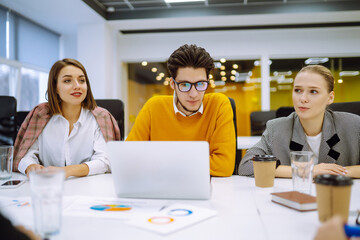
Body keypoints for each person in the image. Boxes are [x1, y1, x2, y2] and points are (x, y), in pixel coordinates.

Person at [126, 44, 236, 177]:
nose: (194, 94)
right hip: (160, 188)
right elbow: (129, 157)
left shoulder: (219, 105)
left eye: (200, 84)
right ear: (173, 84)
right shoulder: (153, 107)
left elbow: (224, 165)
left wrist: (161, 161)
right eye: (185, 85)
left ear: (208, 81)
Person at [238, 65, 360, 178]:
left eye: (313, 91)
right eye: (298, 90)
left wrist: (336, 172)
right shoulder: (276, 128)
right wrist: (308, 171)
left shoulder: (353, 125)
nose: (302, 99)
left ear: (330, 97)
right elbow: (246, 167)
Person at [13, 58, 120, 178]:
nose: (77, 86)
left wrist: (66, 171)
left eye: (82, 80)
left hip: (89, 188)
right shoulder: (40, 115)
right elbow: (24, 157)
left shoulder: (101, 117)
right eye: (68, 81)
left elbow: (105, 161)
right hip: (48, 186)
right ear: (55, 88)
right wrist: (30, 167)